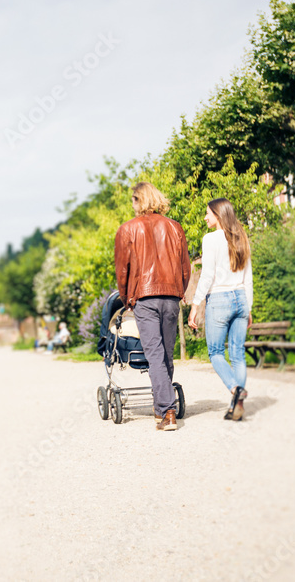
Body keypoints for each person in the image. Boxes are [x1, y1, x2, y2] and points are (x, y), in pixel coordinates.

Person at [114, 182, 191, 432]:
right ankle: (162, 409)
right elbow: (185, 268)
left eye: (133, 200)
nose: (132, 205)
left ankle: (167, 411)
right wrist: (179, 290)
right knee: (166, 354)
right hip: (170, 296)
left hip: (144, 298)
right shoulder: (175, 227)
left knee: (155, 355)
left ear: (139, 200)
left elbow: (122, 271)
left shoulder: (127, 230)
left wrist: (127, 300)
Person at [188, 197, 253, 422]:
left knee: (215, 353)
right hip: (241, 299)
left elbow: (207, 275)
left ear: (218, 214)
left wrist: (195, 304)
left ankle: (235, 389)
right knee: (237, 354)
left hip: (219, 299)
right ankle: (238, 405)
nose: (205, 217)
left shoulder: (211, 239)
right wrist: (249, 307)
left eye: (208, 213)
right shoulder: (241, 237)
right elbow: (248, 276)